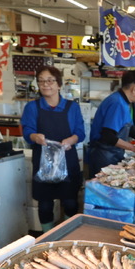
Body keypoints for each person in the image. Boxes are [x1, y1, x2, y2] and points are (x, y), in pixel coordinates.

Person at [21, 66, 85, 232]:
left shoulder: (72, 107)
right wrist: (36, 137)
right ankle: (47, 237)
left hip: (67, 160)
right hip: (43, 163)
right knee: (45, 205)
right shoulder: (32, 108)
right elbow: (27, 132)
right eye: (41, 81)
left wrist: (71, 140)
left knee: (70, 203)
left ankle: (67, 235)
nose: (45, 84)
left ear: (59, 84)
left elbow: (80, 133)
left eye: (50, 80)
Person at [88, 70, 135, 179]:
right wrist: (134, 148)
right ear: (134, 89)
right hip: (104, 157)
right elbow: (108, 136)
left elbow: (132, 131)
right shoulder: (117, 103)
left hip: (112, 154)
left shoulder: (123, 101)